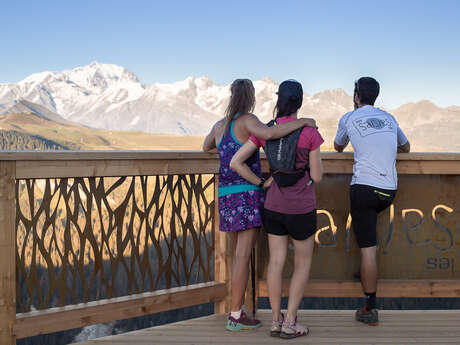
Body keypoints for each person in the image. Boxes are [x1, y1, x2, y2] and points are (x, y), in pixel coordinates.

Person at [203, 78, 316, 331]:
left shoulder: (220, 124)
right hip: (246, 193)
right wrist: (303, 122)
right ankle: (235, 315)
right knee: (243, 258)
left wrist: (223, 143)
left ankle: (237, 309)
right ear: (250, 97)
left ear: (231, 96)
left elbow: (206, 146)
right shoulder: (248, 121)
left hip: (226, 194)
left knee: (236, 257)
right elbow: (270, 133)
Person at [230, 79, 323, 339]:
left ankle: (275, 320)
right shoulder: (310, 132)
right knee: (302, 264)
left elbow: (236, 162)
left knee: (276, 262)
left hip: (273, 205)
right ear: (300, 102)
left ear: (278, 100)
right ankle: (291, 322)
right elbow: (316, 176)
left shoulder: (266, 130)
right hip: (302, 208)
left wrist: (263, 182)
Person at [334, 77, 410, 326]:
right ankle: (367, 273)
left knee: (368, 248)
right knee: (370, 244)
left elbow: (338, 147)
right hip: (389, 191)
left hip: (364, 189)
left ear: (357, 96)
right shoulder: (389, 118)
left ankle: (370, 305)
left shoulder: (348, 117)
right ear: (375, 96)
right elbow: (406, 147)